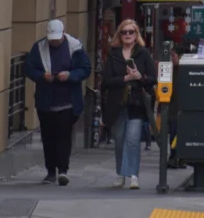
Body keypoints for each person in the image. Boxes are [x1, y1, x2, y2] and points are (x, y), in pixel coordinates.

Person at [23, 19, 91, 186]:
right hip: (46, 101)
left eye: (57, 39)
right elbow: (28, 68)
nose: (54, 42)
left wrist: (70, 75)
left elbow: (85, 69)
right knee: (48, 137)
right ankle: (50, 171)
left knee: (63, 136)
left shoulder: (75, 47)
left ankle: (63, 170)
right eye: (51, 39)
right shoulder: (39, 48)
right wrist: (41, 76)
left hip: (68, 100)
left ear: (63, 33)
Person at [101, 19, 156, 189]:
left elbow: (153, 78)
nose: (127, 35)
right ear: (119, 35)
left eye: (131, 32)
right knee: (119, 140)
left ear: (136, 35)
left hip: (137, 103)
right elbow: (106, 80)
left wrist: (139, 76)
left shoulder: (143, 53)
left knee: (132, 140)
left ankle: (133, 175)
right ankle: (120, 174)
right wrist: (125, 78)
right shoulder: (114, 54)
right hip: (117, 103)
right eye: (124, 32)